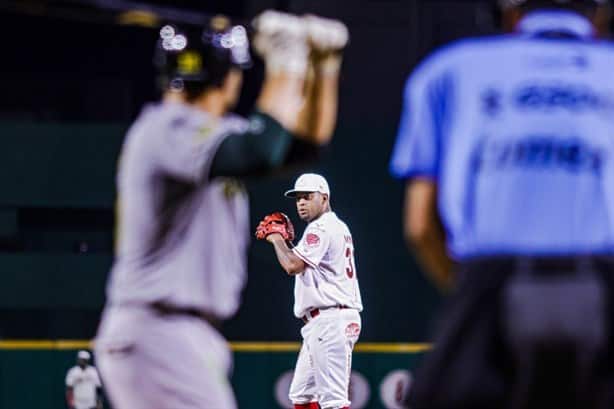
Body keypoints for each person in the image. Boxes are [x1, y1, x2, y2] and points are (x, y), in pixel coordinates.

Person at [94, 11, 349, 409]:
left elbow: (305, 146)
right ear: (226, 76)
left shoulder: (204, 132)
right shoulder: (167, 127)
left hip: (176, 333)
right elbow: (260, 151)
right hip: (160, 329)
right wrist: (286, 63)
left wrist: (322, 69)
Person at [389, 0, 614, 408]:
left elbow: (419, 226)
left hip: (489, 287)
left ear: (505, 13)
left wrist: (468, 292)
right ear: (599, 15)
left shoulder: (447, 72)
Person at [256, 173, 363, 409]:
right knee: (302, 396)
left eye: (308, 197)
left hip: (330, 320)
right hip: (325, 320)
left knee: (334, 401)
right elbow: (300, 260)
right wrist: (288, 245)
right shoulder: (334, 226)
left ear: (324, 198)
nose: (301, 203)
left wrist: (276, 238)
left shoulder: (321, 228)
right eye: (298, 199)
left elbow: (292, 265)